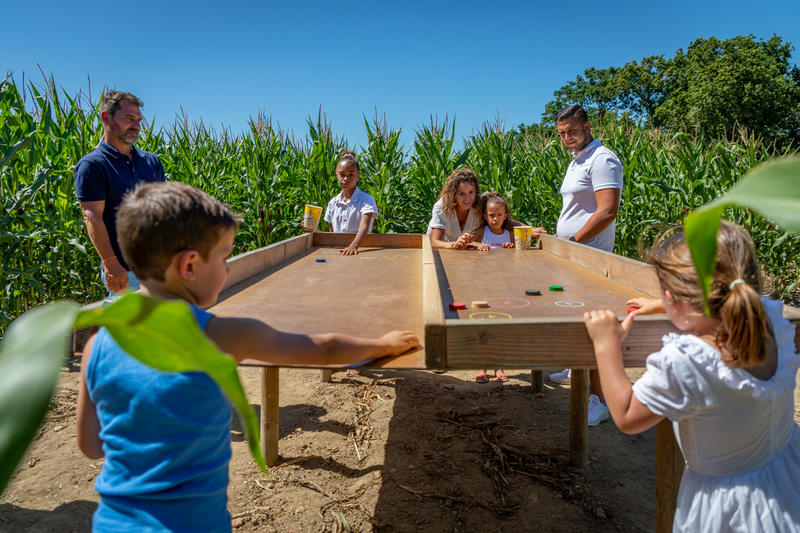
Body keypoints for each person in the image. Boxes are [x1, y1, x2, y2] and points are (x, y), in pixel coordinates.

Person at [76, 182, 418, 532]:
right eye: (224, 257)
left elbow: (91, 445)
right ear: (190, 265)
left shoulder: (98, 343)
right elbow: (324, 348)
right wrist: (385, 344)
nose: (227, 270)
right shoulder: (221, 335)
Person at [583, 222, 800, 532]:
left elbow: (627, 415)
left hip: (729, 511)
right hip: (785, 481)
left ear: (676, 299)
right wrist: (671, 305)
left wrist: (606, 345)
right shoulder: (770, 320)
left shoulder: (688, 361)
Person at [547, 104, 624, 427]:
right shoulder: (578, 160)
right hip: (574, 252)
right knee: (576, 318)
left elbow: (607, 211)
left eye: (572, 131)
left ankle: (600, 399)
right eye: (562, 133)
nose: (567, 138)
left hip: (590, 255)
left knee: (593, 327)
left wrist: (575, 241)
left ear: (587, 127)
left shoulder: (602, 159)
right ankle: (575, 368)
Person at [74, 91, 165, 300]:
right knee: (125, 330)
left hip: (158, 268)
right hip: (125, 273)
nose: (136, 125)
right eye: (128, 118)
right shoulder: (93, 165)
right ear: (106, 117)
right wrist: (111, 263)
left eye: (138, 120)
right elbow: (92, 216)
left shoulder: (151, 162)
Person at [469, 192, 515, 383]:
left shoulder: (509, 234)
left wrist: (511, 247)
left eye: (498, 215)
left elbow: (519, 251)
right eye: (491, 215)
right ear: (485, 216)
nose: (494, 219)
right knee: (483, 323)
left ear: (505, 216)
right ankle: (482, 366)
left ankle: (499, 366)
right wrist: (475, 245)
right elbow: (466, 242)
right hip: (483, 284)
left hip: (503, 285)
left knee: (501, 323)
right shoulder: (482, 232)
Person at [316, 151, 378, 256]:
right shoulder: (333, 203)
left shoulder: (366, 200)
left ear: (358, 175)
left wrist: (354, 246)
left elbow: (364, 226)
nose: (346, 179)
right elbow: (333, 236)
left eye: (351, 174)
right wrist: (314, 231)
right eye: (342, 175)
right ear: (336, 175)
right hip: (339, 253)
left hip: (361, 252)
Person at [426, 168, 484, 249]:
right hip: (442, 252)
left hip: (467, 253)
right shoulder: (442, 207)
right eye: (461, 194)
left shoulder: (481, 205)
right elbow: (434, 242)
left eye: (471, 192)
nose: (467, 198)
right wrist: (454, 244)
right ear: (453, 194)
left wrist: (471, 242)